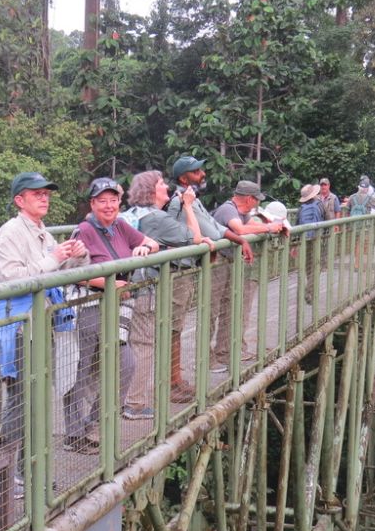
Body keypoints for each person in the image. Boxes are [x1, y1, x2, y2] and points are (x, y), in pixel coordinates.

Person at [0, 172, 90, 499]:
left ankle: (23, 470)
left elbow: (58, 272)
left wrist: (76, 255)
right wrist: (54, 258)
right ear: (19, 200)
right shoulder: (11, 233)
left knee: (35, 398)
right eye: (36, 193)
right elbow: (12, 278)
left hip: (39, 321)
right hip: (17, 323)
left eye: (46, 193)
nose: (44, 198)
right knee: (20, 399)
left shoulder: (41, 232)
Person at [65, 177, 159, 452]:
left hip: (115, 308)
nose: (108, 206)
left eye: (113, 200)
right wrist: (108, 283)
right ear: (92, 204)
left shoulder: (120, 226)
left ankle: (94, 423)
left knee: (125, 365)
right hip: (88, 306)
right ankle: (74, 434)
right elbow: (72, 273)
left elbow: (153, 243)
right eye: (102, 201)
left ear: (119, 202)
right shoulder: (83, 231)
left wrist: (144, 248)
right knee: (80, 370)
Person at [121, 170, 214, 420]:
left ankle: (120, 400)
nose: (166, 187)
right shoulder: (156, 218)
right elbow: (194, 238)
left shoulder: (133, 214)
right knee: (143, 345)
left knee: (124, 344)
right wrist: (188, 206)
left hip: (125, 286)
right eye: (161, 184)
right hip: (143, 289)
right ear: (151, 191)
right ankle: (134, 403)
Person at [165, 156, 253, 399]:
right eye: (196, 171)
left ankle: (175, 380)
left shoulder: (192, 199)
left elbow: (213, 225)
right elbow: (212, 230)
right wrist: (240, 239)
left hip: (183, 270)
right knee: (173, 327)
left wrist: (240, 240)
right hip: (175, 270)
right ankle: (171, 383)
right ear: (184, 178)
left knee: (176, 326)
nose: (202, 174)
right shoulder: (182, 200)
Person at [209, 180, 289, 371]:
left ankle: (224, 352)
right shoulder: (228, 209)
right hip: (216, 263)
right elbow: (241, 230)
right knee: (211, 310)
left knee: (228, 309)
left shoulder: (242, 213)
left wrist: (276, 226)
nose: (257, 203)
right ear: (248, 199)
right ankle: (205, 358)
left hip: (229, 263)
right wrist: (269, 228)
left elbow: (252, 224)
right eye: (256, 199)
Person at [295, 184, 323, 304]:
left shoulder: (301, 208)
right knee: (318, 264)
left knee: (308, 264)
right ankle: (309, 290)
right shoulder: (320, 204)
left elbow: (297, 225)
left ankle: (310, 290)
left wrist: (294, 243)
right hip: (317, 238)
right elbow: (328, 219)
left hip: (304, 239)